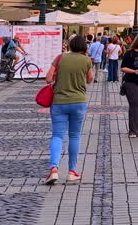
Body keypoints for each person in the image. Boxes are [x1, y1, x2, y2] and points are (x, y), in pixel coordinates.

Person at [44, 34, 93, 185]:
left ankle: (53, 169)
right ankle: (72, 171)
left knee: (57, 136)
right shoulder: (86, 60)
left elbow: (48, 78)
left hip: (59, 102)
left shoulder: (60, 58)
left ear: (70, 45)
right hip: (79, 102)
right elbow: (90, 79)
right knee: (75, 136)